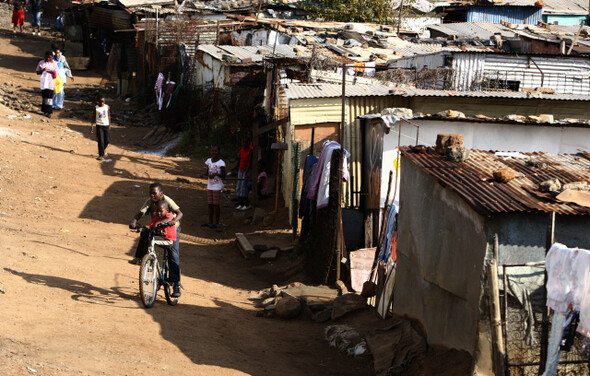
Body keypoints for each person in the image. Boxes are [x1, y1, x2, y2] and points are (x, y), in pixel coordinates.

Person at [129, 182, 183, 297]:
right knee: (144, 233)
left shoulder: (166, 200)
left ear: (161, 193)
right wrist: (134, 221)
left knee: (173, 254)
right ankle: (141, 258)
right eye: (150, 193)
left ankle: (176, 283)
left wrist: (173, 221)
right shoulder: (150, 202)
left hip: (172, 229)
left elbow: (179, 213)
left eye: (154, 193)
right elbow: (140, 213)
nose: (152, 196)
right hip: (158, 227)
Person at [203, 145, 225, 229]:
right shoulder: (208, 161)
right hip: (210, 185)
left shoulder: (221, 163)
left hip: (217, 186)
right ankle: (210, 221)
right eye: (212, 151)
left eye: (215, 151)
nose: (214, 153)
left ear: (218, 152)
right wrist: (203, 175)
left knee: (216, 204)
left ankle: (217, 222)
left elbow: (223, 175)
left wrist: (216, 174)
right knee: (210, 204)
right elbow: (207, 172)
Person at [35, 51, 57, 118]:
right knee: (44, 96)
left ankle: (49, 111)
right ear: (45, 56)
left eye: (49, 57)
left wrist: (51, 71)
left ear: (51, 57)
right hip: (44, 82)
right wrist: (42, 70)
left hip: (50, 82)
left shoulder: (54, 64)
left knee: (49, 97)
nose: (48, 59)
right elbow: (37, 72)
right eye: (47, 57)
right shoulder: (41, 62)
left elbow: (56, 73)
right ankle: (44, 110)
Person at [51, 44, 73, 110]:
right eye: (56, 53)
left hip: (61, 77)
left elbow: (67, 67)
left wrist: (70, 75)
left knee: (60, 91)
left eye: (58, 53)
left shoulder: (63, 58)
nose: (57, 54)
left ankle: (59, 105)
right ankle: (53, 104)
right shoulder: (51, 58)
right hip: (54, 77)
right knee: (54, 91)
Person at [90, 94, 111, 161]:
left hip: (106, 125)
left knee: (107, 140)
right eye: (100, 102)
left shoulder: (107, 107)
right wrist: (92, 125)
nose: (102, 103)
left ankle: (102, 150)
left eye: (103, 101)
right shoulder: (96, 108)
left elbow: (109, 116)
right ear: (97, 101)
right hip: (99, 125)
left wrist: (109, 125)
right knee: (100, 140)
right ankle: (101, 155)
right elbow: (93, 117)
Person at [235, 136, 252, 210]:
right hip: (241, 169)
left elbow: (249, 162)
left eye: (245, 142)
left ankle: (246, 204)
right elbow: (239, 158)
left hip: (246, 170)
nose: (244, 144)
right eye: (243, 142)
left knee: (244, 187)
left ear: (248, 143)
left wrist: (246, 172)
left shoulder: (250, 150)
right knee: (239, 186)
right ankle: (240, 203)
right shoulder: (241, 149)